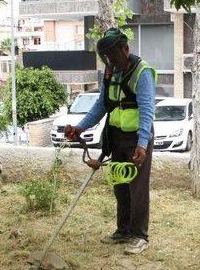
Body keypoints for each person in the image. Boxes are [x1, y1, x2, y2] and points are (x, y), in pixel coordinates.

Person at [64, 28, 156, 255]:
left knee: (137, 188)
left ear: (125, 49)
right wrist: (80, 127)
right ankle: (123, 230)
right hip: (115, 136)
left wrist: (142, 144)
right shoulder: (109, 72)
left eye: (114, 57)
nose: (111, 63)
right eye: (107, 59)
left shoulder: (141, 72)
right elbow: (101, 105)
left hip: (137, 139)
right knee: (120, 186)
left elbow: (147, 110)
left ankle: (139, 235)